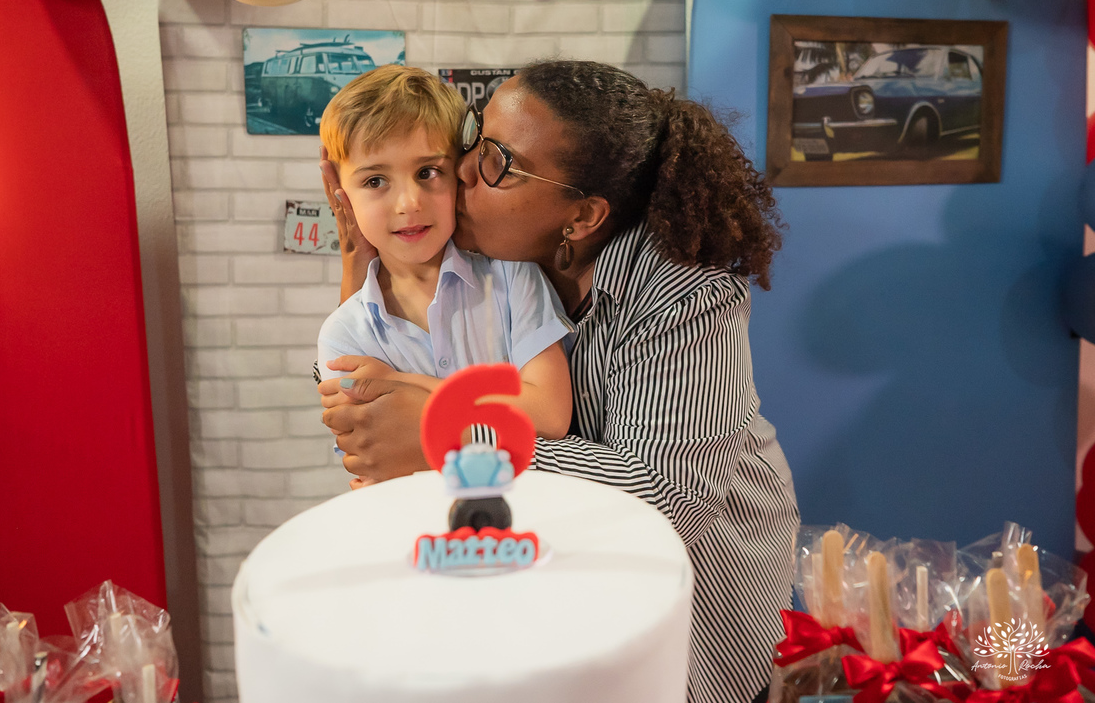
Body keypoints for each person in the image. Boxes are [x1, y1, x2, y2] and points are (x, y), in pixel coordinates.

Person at [318, 60, 800, 702]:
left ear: (580, 217)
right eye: (475, 139)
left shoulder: (684, 289)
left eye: (497, 163)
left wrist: (453, 440)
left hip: (703, 563)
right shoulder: (503, 249)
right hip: (562, 549)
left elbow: (669, 490)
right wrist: (361, 264)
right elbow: (382, 364)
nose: (464, 170)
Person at [315, 64, 574, 483]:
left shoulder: (512, 276)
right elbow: (373, 466)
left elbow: (549, 414)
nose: (408, 203)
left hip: (527, 521)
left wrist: (404, 386)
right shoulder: (344, 334)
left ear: (459, 171)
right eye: (376, 180)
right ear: (342, 197)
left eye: (427, 172)